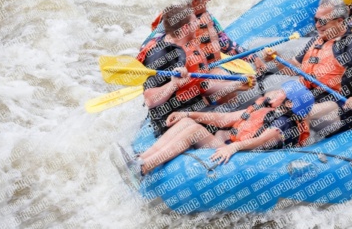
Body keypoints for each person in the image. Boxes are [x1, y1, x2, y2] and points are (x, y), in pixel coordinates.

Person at [119, 80, 314, 187]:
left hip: (242, 157)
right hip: (232, 145)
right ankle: (140, 159)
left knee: (195, 131)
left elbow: (259, 141)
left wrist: (233, 146)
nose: (277, 92)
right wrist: (188, 113)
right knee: (189, 122)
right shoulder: (269, 109)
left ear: (289, 103)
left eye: (283, 93)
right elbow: (225, 119)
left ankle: (143, 169)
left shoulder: (285, 124)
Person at [263, 0, 352, 141]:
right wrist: (276, 58)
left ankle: (296, 143)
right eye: (315, 20)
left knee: (295, 110)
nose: (317, 25)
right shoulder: (317, 40)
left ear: (340, 21)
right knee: (269, 99)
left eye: (322, 21)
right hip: (309, 97)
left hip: (339, 107)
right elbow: (294, 68)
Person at [141, 4, 255, 137]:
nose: (198, 23)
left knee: (248, 115)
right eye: (194, 21)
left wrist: (236, 85)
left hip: (196, 108)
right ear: (185, 28)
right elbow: (150, 100)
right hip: (172, 118)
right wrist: (173, 84)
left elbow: (203, 85)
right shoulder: (161, 55)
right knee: (242, 123)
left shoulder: (190, 44)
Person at [138, 0, 267, 74]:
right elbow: (147, 46)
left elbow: (225, 43)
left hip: (208, 66)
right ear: (195, 1)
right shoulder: (175, 19)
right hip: (189, 74)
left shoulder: (206, 17)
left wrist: (251, 57)